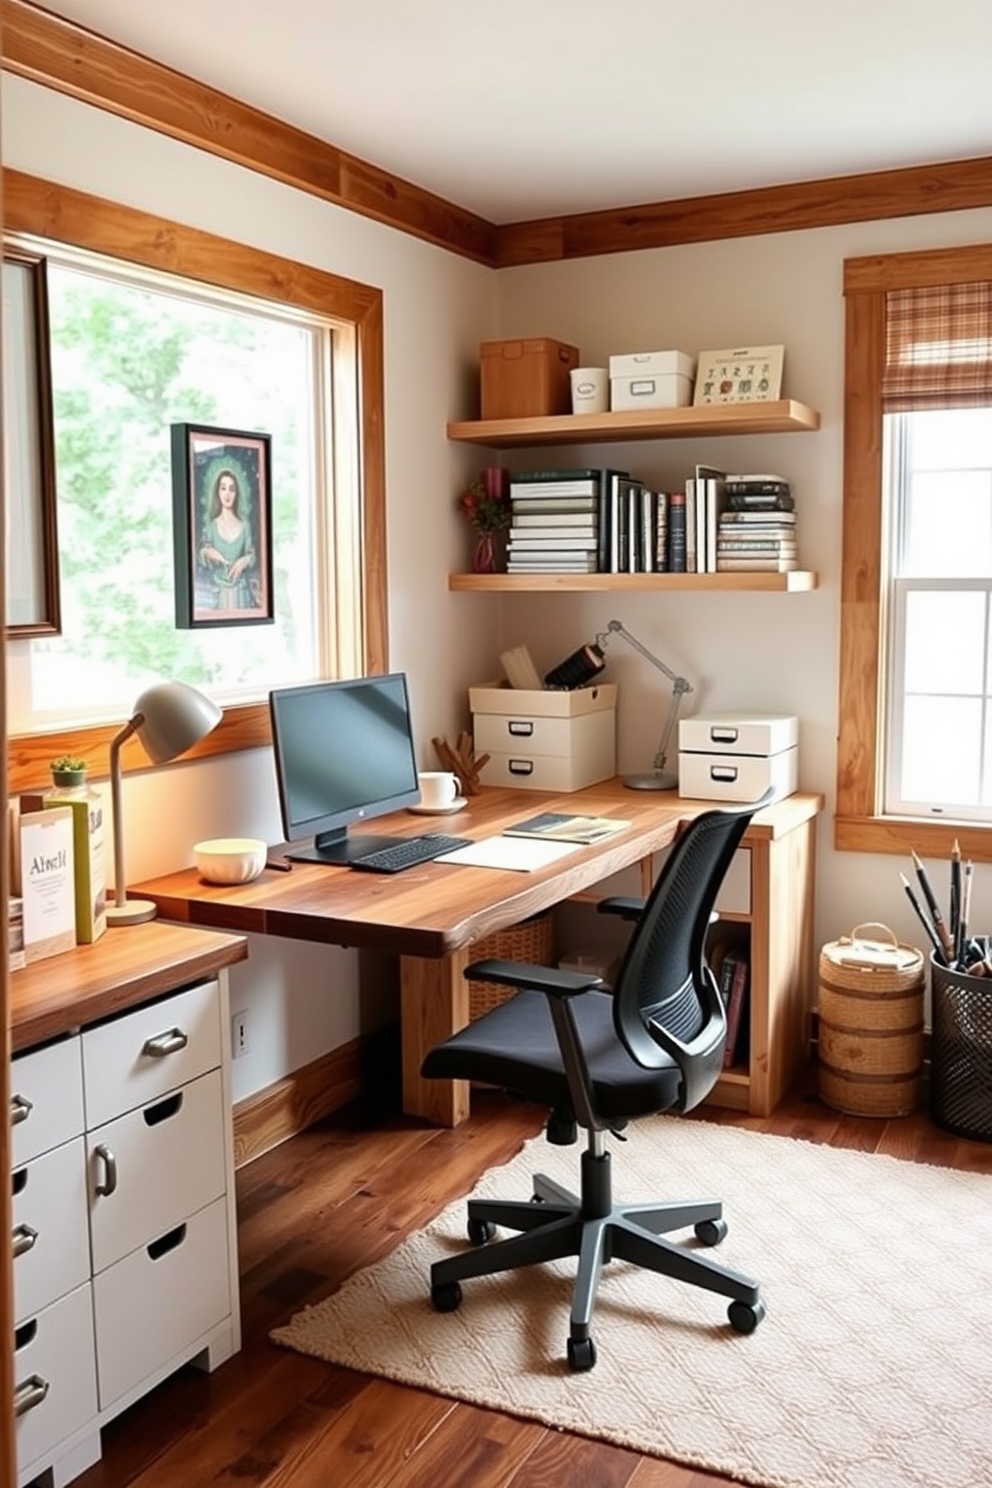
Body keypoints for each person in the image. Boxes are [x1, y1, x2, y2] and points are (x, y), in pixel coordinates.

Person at [198, 467, 257, 611]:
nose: (227, 494)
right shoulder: (212, 526)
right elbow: (201, 554)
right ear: (217, 492)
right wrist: (206, 552)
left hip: (241, 593)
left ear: (236, 493)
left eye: (232, 489)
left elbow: (252, 555)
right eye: (223, 488)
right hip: (217, 593)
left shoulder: (244, 526)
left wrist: (246, 560)